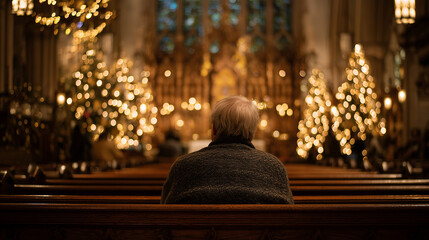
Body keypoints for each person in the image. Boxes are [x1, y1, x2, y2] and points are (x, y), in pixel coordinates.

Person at [161, 95, 294, 204]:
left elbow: (165, 215)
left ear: (213, 129)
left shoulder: (183, 166)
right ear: (252, 132)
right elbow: (289, 218)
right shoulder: (274, 167)